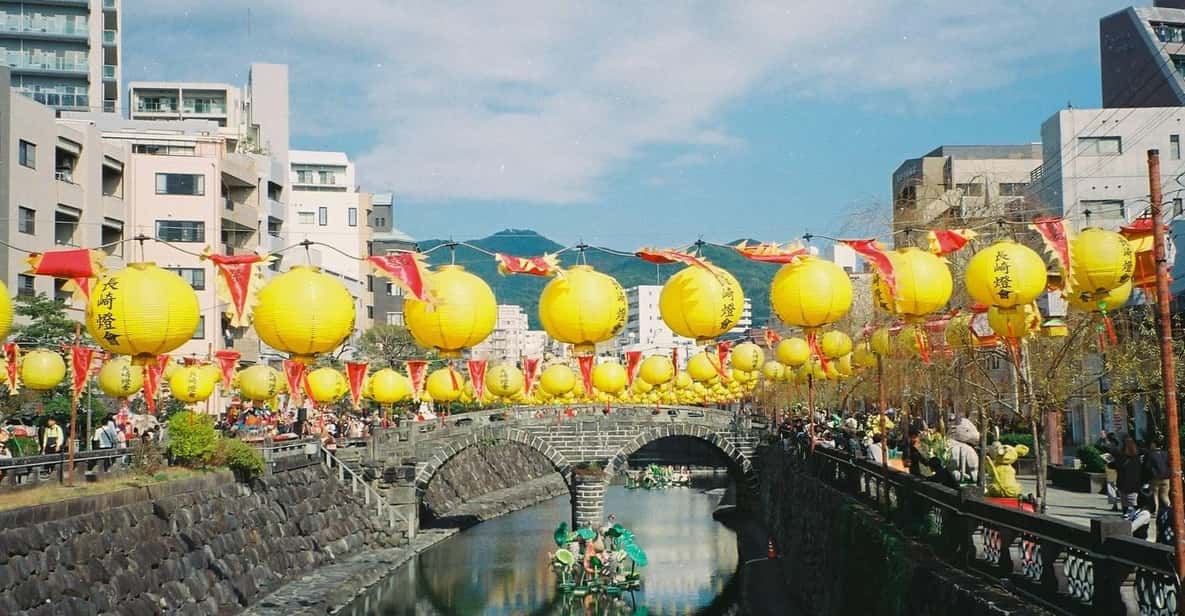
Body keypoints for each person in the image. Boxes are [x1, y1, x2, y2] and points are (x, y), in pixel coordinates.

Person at [1112, 436, 1143, 514]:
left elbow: (1114, 465)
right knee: (1134, 502)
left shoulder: (1122, 457)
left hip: (1123, 482)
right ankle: (1135, 515)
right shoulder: (1137, 457)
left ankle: (1126, 514)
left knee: (1124, 502)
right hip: (1135, 482)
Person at [1143, 437, 1172, 517]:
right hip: (1166, 477)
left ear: (1154, 444)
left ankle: (1155, 511)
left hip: (1156, 477)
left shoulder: (1151, 454)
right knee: (1164, 495)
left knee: (1155, 494)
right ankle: (1170, 509)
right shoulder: (1166, 453)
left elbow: (1147, 466)